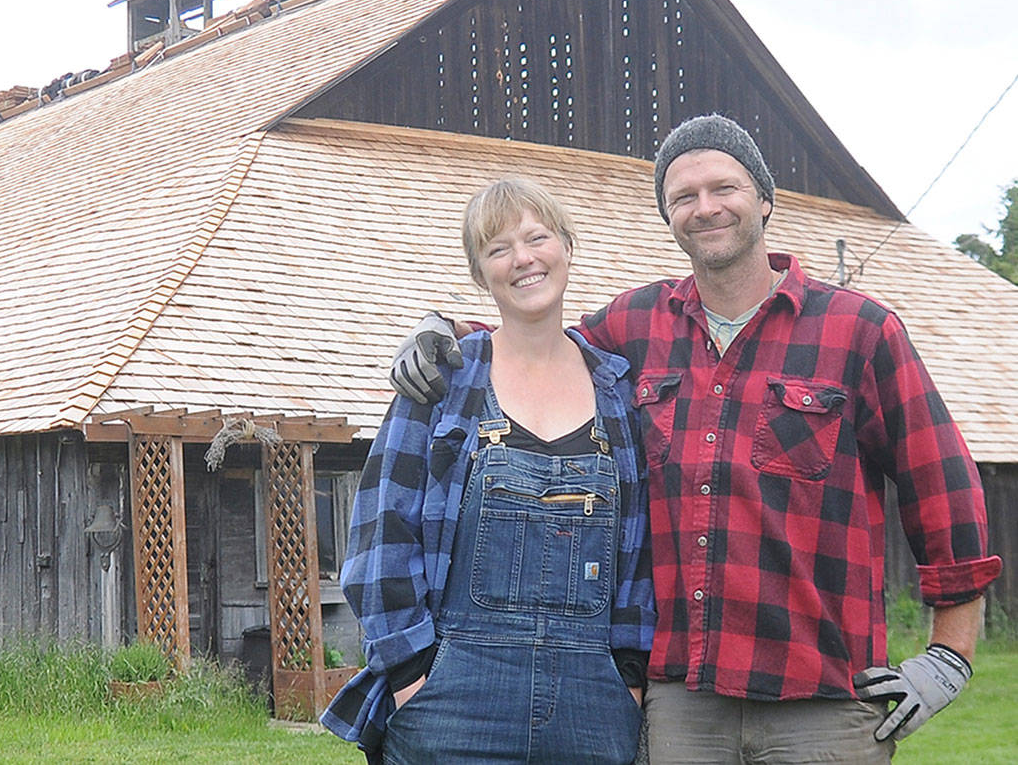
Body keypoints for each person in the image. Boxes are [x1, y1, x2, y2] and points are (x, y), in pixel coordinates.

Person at [387, 115, 1002, 763]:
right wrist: (446, 329)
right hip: (683, 703)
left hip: (823, 701)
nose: (705, 207)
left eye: (723, 188)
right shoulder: (638, 324)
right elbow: (537, 343)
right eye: (684, 196)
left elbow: (943, 483)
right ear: (669, 217)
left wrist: (949, 653)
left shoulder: (860, 331)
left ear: (764, 199)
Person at [322, 177, 655, 764]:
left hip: (592, 702)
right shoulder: (445, 381)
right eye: (499, 249)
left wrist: (628, 675)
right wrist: (411, 676)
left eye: (537, 238)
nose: (523, 258)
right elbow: (381, 537)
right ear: (480, 274)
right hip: (452, 699)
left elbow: (639, 553)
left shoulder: (617, 391)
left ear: (567, 246)